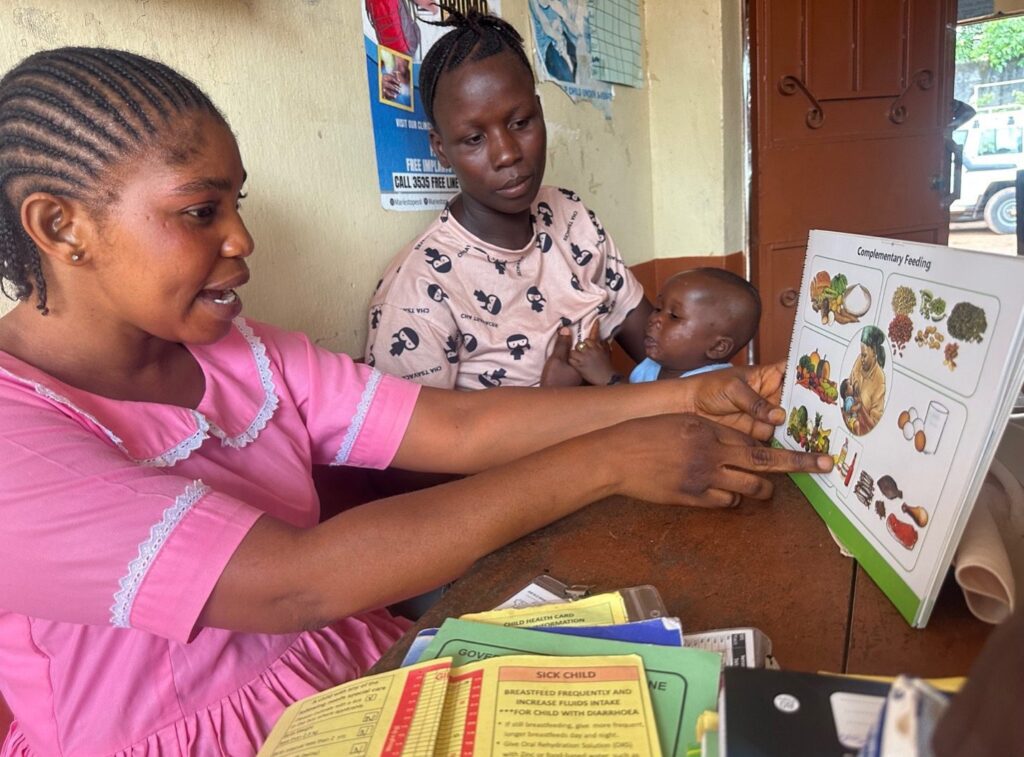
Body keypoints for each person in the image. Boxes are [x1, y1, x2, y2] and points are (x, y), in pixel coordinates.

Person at [0, 47, 831, 754]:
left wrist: (688, 398)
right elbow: (295, 583)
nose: (242, 239)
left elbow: (453, 422)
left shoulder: (246, 354)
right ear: (60, 226)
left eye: (236, 205)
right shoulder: (15, 437)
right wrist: (616, 453)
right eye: (199, 210)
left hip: (339, 672)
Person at [364, 10, 652, 391]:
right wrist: (553, 405)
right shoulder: (417, 293)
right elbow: (421, 445)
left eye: (520, 123)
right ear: (441, 149)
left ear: (540, 112)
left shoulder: (570, 218)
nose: (507, 154)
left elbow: (663, 346)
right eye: (474, 139)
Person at [565, 268, 761, 385]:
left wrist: (608, 377)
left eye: (674, 316)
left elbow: (650, 415)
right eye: (658, 308)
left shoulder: (715, 383)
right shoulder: (650, 367)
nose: (655, 319)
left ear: (717, 347)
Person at [843, 325, 886, 435]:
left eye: (865, 356)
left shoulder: (879, 379)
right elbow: (848, 388)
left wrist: (861, 408)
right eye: (861, 355)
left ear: (874, 352)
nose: (861, 359)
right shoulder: (859, 360)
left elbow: (874, 424)